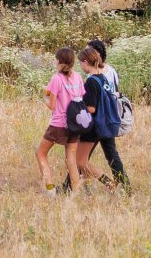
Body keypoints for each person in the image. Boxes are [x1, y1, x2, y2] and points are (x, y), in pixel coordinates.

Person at [77, 42, 128, 191]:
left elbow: (91, 108)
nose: (81, 66)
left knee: (80, 161)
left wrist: (76, 106)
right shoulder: (103, 78)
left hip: (92, 126)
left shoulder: (91, 82)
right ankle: (86, 187)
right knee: (109, 155)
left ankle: (109, 183)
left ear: (86, 62)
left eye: (81, 63)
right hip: (106, 122)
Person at [38, 47, 83, 195]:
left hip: (59, 123)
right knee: (71, 158)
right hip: (75, 123)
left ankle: (50, 189)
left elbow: (52, 105)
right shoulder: (77, 77)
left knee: (41, 153)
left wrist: (44, 96)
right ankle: (76, 191)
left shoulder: (56, 79)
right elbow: (81, 96)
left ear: (59, 61)